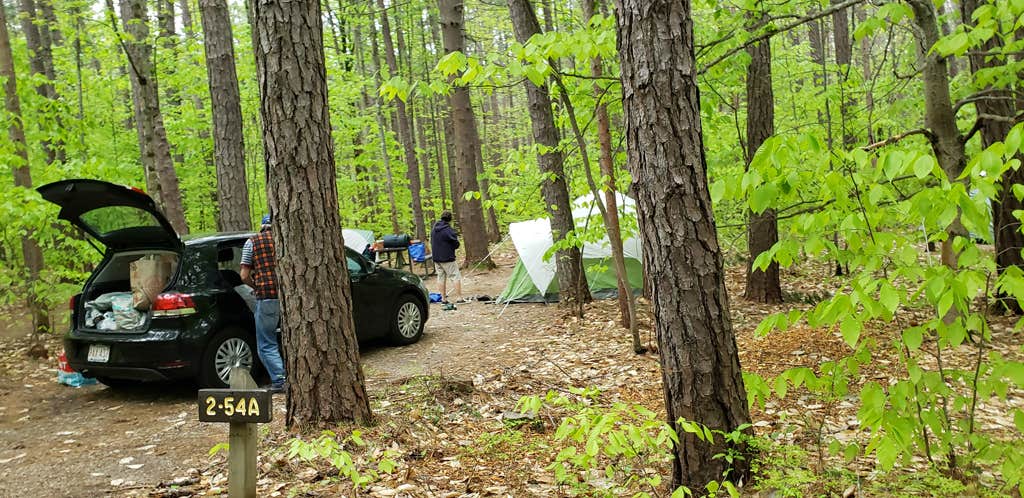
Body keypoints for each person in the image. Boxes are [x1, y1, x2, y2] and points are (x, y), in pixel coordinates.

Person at [240, 214, 286, 393]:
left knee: (266, 343)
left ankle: (280, 380)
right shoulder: (284, 240)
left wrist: (255, 285)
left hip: (266, 297)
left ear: (262, 227)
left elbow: (244, 275)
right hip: (288, 297)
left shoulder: (252, 242)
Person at [430, 211, 466, 304]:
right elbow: (455, 243)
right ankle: (459, 298)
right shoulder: (448, 230)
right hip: (447, 258)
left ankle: (443, 299)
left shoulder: (434, 229)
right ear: (450, 219)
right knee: (455, 276)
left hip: (436, 258)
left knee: (440, 277)